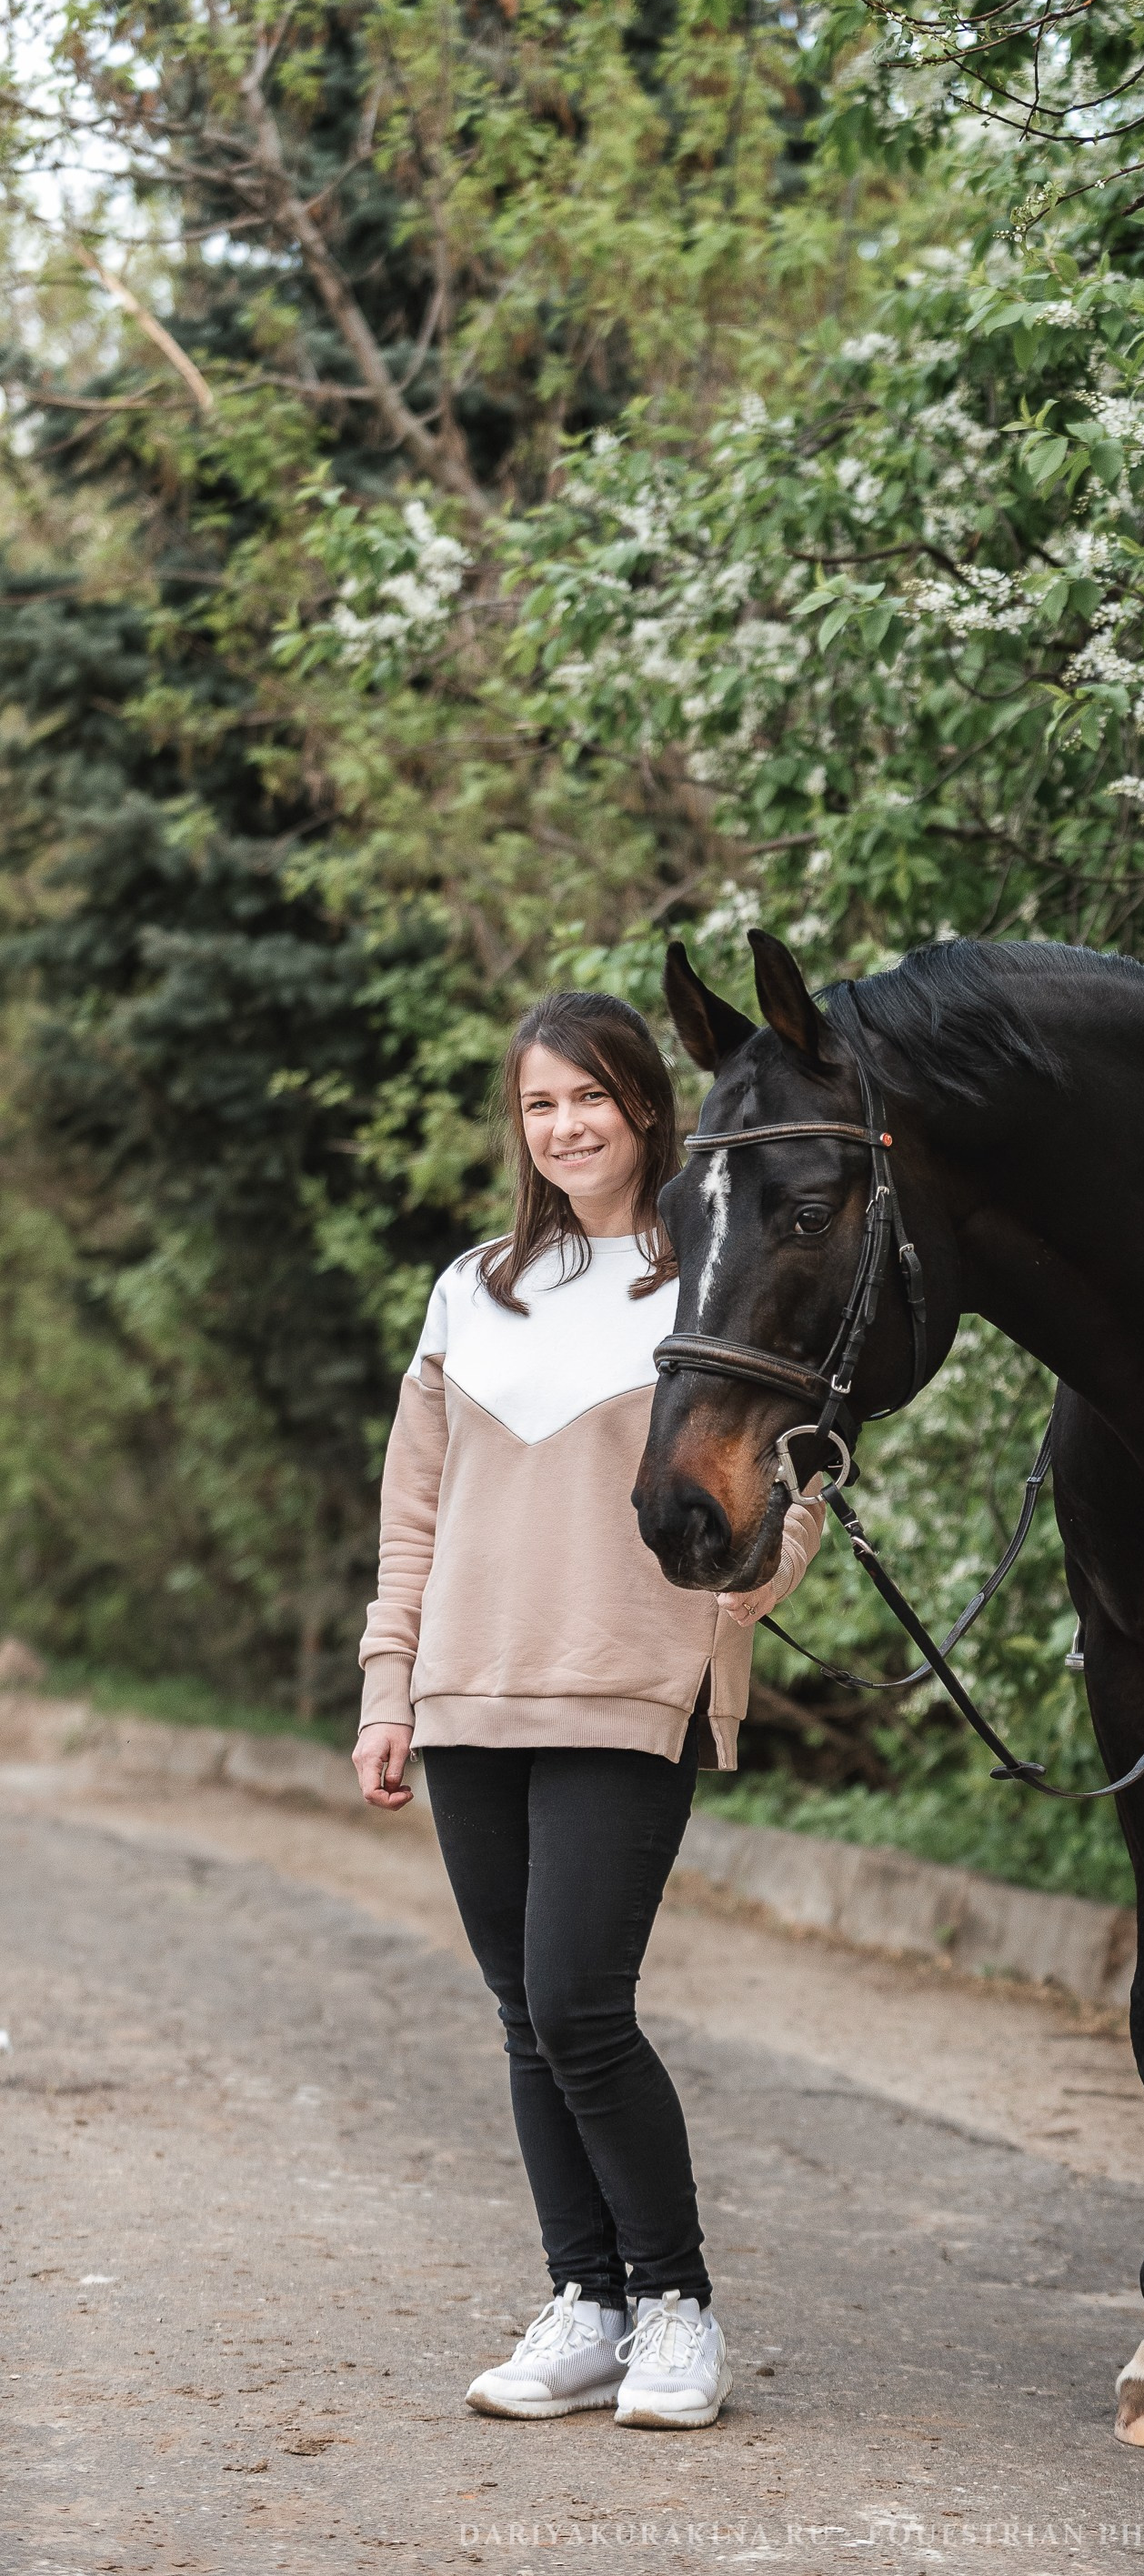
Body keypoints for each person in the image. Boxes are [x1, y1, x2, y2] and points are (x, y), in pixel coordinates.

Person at [352, 990, 824, 2429]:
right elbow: (413, 1514)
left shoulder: (712, 1275)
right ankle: (588, 2302)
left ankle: (677, 2306)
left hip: (633, 1683)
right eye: (541, 1105)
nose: (565, 1127)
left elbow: (795, 1480)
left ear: (643, 1109)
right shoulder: (471, 1288)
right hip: (466, 1693)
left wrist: (745, 1592)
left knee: (579, 2003)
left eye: (590, 1100)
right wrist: (389, 1684)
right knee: (521, 2015)